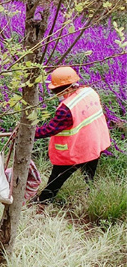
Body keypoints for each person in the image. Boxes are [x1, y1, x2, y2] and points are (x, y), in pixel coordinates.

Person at [34, 66, 111, 203]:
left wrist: (29, 134)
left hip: (77, 149)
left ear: (66, 88)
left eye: (56, 90)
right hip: (95, 142)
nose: (56, 93)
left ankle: (44, 201)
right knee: (89, 171)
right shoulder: (89, 92)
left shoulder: (66, 109)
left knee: (58, 176)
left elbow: (51, 129)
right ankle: (89, 193)